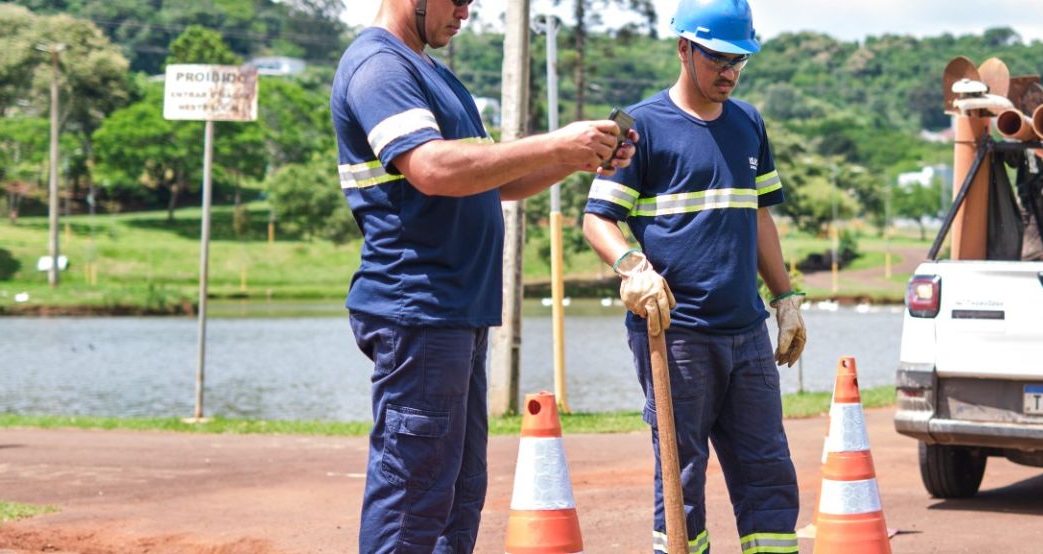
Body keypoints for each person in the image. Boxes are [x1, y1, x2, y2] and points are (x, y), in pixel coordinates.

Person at [330, 0, 637, 552]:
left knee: (458, 492)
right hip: (419, 307)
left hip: (456, 310)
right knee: (414, 493)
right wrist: (554, 142)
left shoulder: (434, 75)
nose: (465, 12)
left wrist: (575, 157)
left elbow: (494, 179)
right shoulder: (380, 66)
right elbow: (431, 168)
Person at [580, 1, 807, 552]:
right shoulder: (639, 127)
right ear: (684, 48)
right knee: (681, 474)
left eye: (739, 60)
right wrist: (632, 266)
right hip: (676, 335)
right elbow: (597, 219)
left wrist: (786, 299)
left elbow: (759, 216)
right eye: (718, 59)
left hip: (747, 334)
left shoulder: (749, 123)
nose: (729, 72)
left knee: (768, 470)